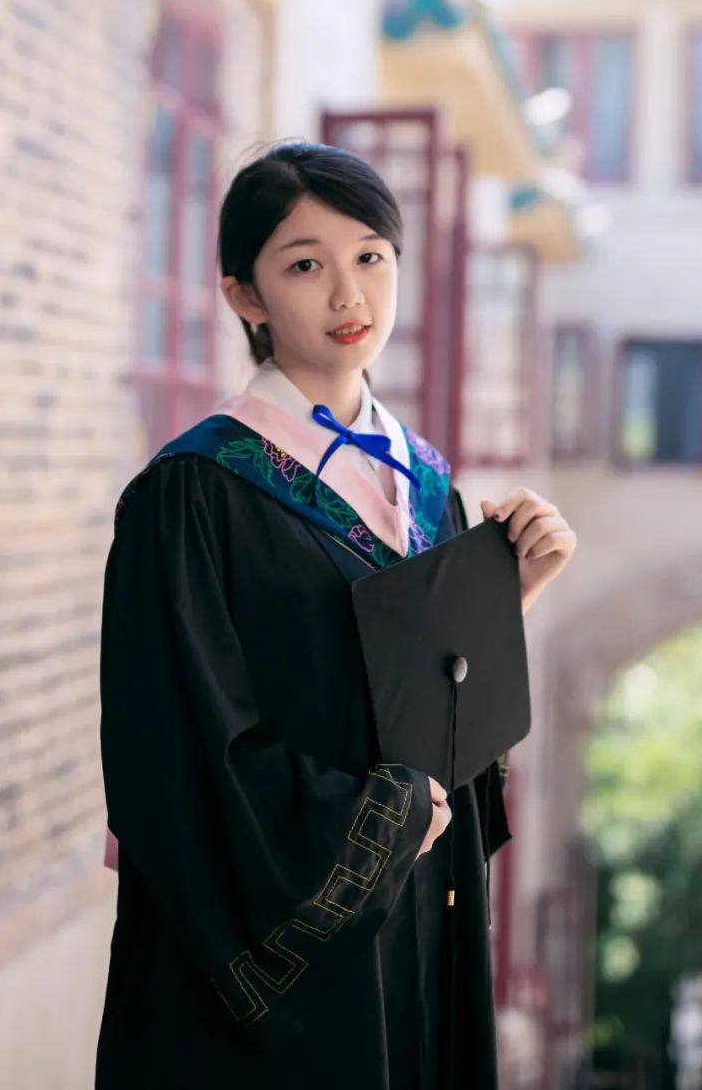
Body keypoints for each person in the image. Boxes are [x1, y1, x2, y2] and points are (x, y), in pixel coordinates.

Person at [95, 141, 578, 1090]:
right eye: (306, 265)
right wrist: (380, 820)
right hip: (281, 972)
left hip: (417, 928)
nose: (350, 294)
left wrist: (505, 595)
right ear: (245, 295)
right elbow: (178, 764)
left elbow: (431, 711)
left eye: (371, 256)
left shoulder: (424, 481)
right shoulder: (194, 493)